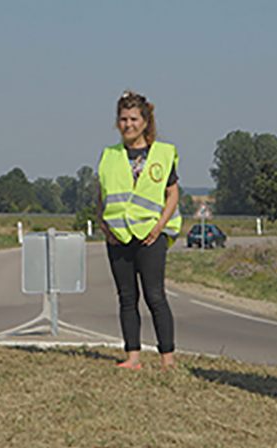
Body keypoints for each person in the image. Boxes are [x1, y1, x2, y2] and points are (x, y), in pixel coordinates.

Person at [96, 90, 182, 370]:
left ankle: (167, 359)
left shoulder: (163, 153)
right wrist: (103, 225)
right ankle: (133, 357)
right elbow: (102, 196)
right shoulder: (109, 156)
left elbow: (172, 195)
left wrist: (160, 227)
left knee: (155, 295)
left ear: (145, 121)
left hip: (150, 236)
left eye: (133, 119)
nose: (128, 124)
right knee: (126, 297)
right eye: (123, 119)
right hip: (118, 236)